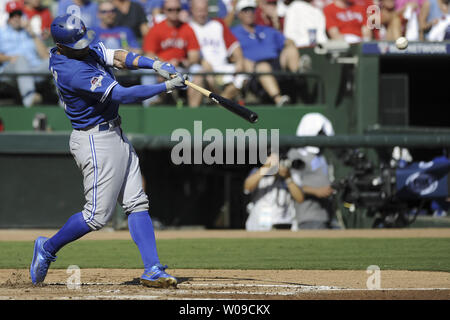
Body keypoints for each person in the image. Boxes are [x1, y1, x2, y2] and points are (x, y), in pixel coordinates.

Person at [29, 14, 188, 288]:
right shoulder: (72, 71)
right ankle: (47, 247)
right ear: (63, 45)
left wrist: (155, 64)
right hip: (95, 140)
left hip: (115, 134)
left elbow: (116, 56)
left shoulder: (76, 49)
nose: (84, 45)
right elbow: (123, 95)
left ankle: (152, 268)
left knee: (137, 203)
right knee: (95, 217)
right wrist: (165, 86)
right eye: (77, 43)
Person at [231, 0, 300, 107]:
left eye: (252, 10)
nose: (249, 13)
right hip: (255, 71)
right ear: (239, 14)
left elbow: (287, 41)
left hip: (276, 64)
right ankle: (279, 100)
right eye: (245, 10)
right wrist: (243, 62)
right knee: (263, 67)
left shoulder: (267, 30)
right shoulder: (234, 33)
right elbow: (231, 55)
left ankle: (298, 78)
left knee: (291, 50)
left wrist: (290, 43)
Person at [143, 0, 203, 107]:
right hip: (161, 68)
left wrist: (183, 62)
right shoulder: (156, 29)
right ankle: (151, 108)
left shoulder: (187, 28)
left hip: (182, 68)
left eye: (177, 9)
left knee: (198, 72)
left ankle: (194, 113)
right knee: (148, 74)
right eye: (170, 10)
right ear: (164, 11)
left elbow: (194, 56)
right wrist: (164, 64)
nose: (174, 12)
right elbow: (149, 54)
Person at [189, 0, 246, 101]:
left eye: (204, 10)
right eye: (199, 10)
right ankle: (222, 101)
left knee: (247, 70)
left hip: (223, 67)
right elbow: (191, 55)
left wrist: (240, 61)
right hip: (204, 69)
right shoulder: (187, 27)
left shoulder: (218, 24)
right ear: (192, 10)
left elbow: (234, 46)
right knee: (203, 74)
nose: (202, 14)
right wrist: (202, 63)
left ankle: (220, 101)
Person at [288, 113, 338, 229]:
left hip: (327, 214)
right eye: (320, 134)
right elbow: (293, 184)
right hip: (308, 216)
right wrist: (316, 191)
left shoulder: (322, 156)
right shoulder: (296, 154)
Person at [0, 0, 49, 107]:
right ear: (7, 17)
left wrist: (33, 34)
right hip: (11, 72)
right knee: (21, 59)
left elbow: (45, 56)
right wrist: (9, 58)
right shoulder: (2, 32)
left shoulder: (29, 32)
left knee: (54, 60)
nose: (16, 18)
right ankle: (30, 99)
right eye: (12, 15)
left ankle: (67, 102)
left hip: (34, 70)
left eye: (18, 14)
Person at [244, 153, 305, 231]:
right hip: (259, 224)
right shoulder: (258, 171)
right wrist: (267, 167)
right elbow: (247, 188)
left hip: (283, 223)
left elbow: (300, 198)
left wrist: (287, 177)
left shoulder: (291, 175)